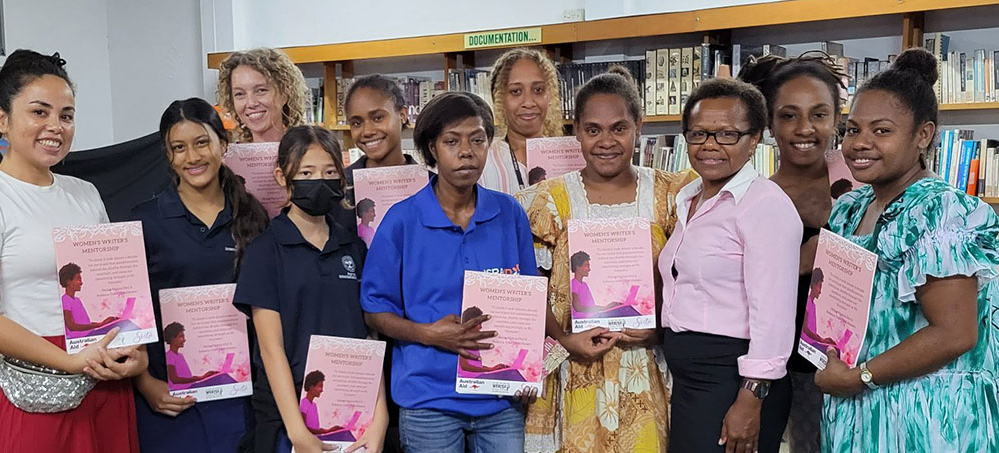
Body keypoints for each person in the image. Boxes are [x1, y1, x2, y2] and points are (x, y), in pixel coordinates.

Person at [816, 48, 999, 452]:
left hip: (929, 419)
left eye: (882, 131)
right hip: (862, 409)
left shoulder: (940, 212)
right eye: (852, 129)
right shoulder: (850, 209)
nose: (861, 143)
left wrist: (860, 376)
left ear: (923, 135)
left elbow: (954, 333)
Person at [0, 49, 144, 453]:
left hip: (106, 374)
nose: (55, 126)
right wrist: (70, 361)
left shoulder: (84, 194)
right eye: (40, 112)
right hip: (38, 382)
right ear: (2, 118)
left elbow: (117, 292)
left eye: (66, 115)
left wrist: (136, 353)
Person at [360, 91, 539, 453]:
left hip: (500, 398)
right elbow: (374, 311)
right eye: (452, 141)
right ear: (431, 148)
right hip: (429, 399)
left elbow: (529, 303)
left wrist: (533, 367)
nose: (467, 152)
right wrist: (427, 334)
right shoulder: (402, 220)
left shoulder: (510, 214)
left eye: (477, 139)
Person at [520, 66, 680, 453]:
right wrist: (563, 339)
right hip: (574, 370)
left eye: (618, 128)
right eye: (593, 130)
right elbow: (529, 286)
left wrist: (660, 331)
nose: (605, 141)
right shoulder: (550, 200)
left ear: (638, 127)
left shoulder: (670, 195)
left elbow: (692, 280)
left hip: (645, 368)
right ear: (576, 131)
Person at [657, 77, 802, 453]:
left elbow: (773, 314)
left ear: (754, 140)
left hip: (735, 381)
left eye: (727, 135)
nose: (710, 145)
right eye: (699, 133)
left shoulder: (763, 205)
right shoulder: (689, 198)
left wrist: (751, 397)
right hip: (692, 380)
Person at [234, 126, 387, 453]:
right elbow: (270, 349)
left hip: (354, 413)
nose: (320, 179)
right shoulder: (265, 250)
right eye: (306, 172)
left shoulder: (354, 247)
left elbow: (368, 337)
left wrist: (380, 416)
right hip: (290, 420)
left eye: (330, 171)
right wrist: (296, 430)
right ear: (282, 176)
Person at [128, 97, 268, 452]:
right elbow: (125, 317)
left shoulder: (254, 217)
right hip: (171, 398)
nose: (192, 157)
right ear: (168, 155)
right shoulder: (145, 221)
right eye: (179, 148)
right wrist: (145, 384)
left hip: (241, 395)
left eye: (202, 142)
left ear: (223, 143)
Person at [736, 51, 856, 453]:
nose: (805, 128)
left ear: (837, 120)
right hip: (776, 368)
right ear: (769, 124)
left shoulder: (862, 190)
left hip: (852, 367)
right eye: (788, 115)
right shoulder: (753, 199)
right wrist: (799, 262)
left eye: (819, 114)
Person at [480, 47, 565, 194]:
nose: (529, 102)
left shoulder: (567, 158)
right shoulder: (483, 159)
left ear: (550, 95)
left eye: (538, 90)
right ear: (500, 99)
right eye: (516, 92)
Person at [218, 48, 310, 143]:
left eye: (260, 90)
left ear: (284, 94)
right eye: (240, 94)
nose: (251, 103)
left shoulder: (307, 153)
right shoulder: (229, 156)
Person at [344, 74, 421, 182]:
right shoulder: (339, 186)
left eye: (378, 118)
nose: (367, 131)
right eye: (357, 123)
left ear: (402, 115)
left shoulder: (431, 185)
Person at [59, 263, 139, 337]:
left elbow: (85, 324)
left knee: (123, 324)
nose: (81, 283)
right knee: (124, 325)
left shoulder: (77, 300)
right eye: (78, 279)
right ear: (69, 281)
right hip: (83, 338)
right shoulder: (65, 299)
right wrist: (99, 325)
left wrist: (104, 323)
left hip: (91, 333)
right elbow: (71, 326)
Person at [163, 322, 223, 390]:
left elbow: (187, 377)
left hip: (191, 387)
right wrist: (200, 378)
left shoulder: (180, 356)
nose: (184, 340)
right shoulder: (169, 356)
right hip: (184, 390)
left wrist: (203, 377)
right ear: (172, 339)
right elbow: (174, 379)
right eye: (181, 336)